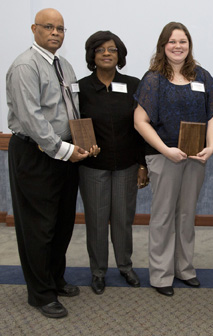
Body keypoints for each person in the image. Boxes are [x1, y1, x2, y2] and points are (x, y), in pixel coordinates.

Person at [6, 8, 98, 318]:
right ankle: (40, 294)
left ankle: (55, 278)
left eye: (60, 28)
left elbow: (72, 109)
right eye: (49, 27)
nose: (55, 32)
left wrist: (82, 143)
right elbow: (32, 119)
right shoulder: (25, 66)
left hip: (66, 153)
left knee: (61, 223)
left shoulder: (65, 66)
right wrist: (62, 149)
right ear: (34, 29)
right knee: (39, 227)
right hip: (36, 153)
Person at [134, 22, 213, 297]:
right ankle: (160, 275)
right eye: (172, 41)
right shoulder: (153, 79)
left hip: (196, 157)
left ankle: (185, 269)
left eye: (183, 41)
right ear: (163, 46)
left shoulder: (202, 76)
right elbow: (140, 121)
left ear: (189, 45)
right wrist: (165, 150)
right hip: (164, 157)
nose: (178, 46)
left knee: (186, 215)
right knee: (162, 216)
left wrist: (212, 145)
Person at [78, 31, 148, 295]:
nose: (106, 53)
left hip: (127, 166)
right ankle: (97, 271)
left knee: (123, 219)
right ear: (92, 55)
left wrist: (142, 164)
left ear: (120, 55)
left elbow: (141, 127)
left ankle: (125, 266)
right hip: (92, 166)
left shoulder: (133, 84)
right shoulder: (80, 87)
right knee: (96, 220)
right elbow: (73, 124)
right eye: (100, 50)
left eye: (112, 49)